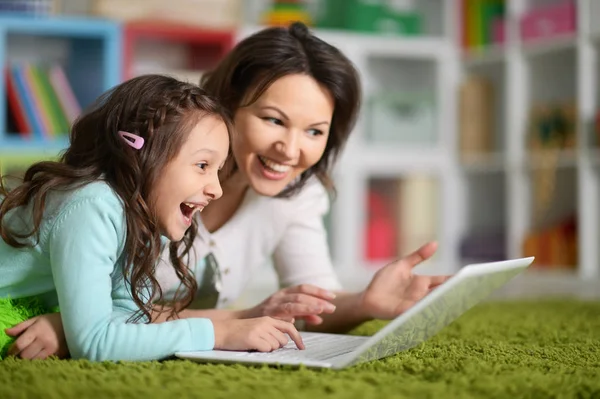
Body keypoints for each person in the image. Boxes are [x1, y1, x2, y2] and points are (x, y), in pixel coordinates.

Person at [7, 22, 449, 359]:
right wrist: (77, 326)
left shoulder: (290, 196)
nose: (290, 149)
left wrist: (367, 302)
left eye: (315, 131)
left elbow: (312, 300)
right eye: (274, 120)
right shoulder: (133, 195)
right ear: (227, 104)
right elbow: (106, 325)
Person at [0, 74, 304, 361]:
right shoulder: (92, 204)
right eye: (202, 165)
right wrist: (218, 333)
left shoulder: (144, 215)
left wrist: (68, 323)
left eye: (218, 169)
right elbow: (94, 344)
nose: (216, 189)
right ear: (139, 156)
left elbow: (129, 314)